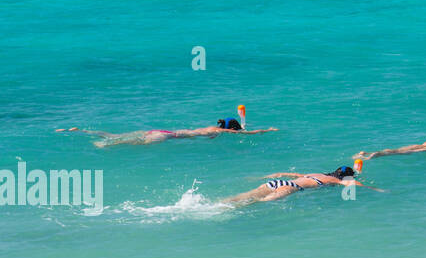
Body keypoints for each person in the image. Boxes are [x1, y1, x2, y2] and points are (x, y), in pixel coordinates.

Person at [60, 108, 275, 146]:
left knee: (117, 135)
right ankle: (102, 144)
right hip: (165, 137)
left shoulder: (211, 127)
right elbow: (247, 134)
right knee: (125, 143)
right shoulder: (219, 131)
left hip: (161, 131)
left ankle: (82, 131)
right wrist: (265, 131)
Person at [222, 166, 373, 206]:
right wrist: (373, 188)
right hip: (289, 187)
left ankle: (220, 203)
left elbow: (283, 173)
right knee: (256, 203)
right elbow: (352, 184)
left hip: (275, 183)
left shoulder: (316, 174)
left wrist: (262, 177)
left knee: (242, 197)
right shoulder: (334, 181)